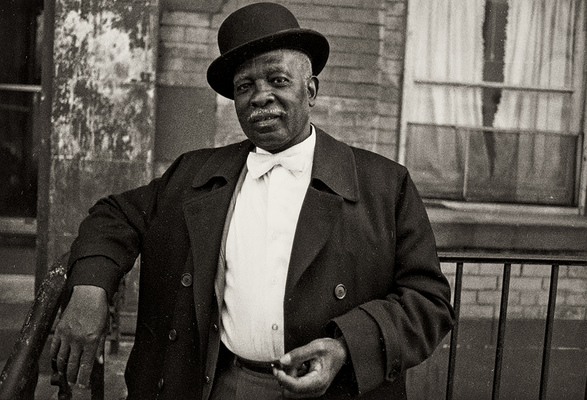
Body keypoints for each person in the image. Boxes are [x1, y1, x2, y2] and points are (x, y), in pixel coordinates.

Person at [50, 2, 454, 399]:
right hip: (222, 383)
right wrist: (89, 288)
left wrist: (347, 347)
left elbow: (429, 301)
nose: (260, 96)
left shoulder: (384, 185)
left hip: (336, 390)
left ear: (310, 90)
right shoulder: (194, 173)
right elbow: (114, 215)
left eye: (278, 80)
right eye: (245, 86)